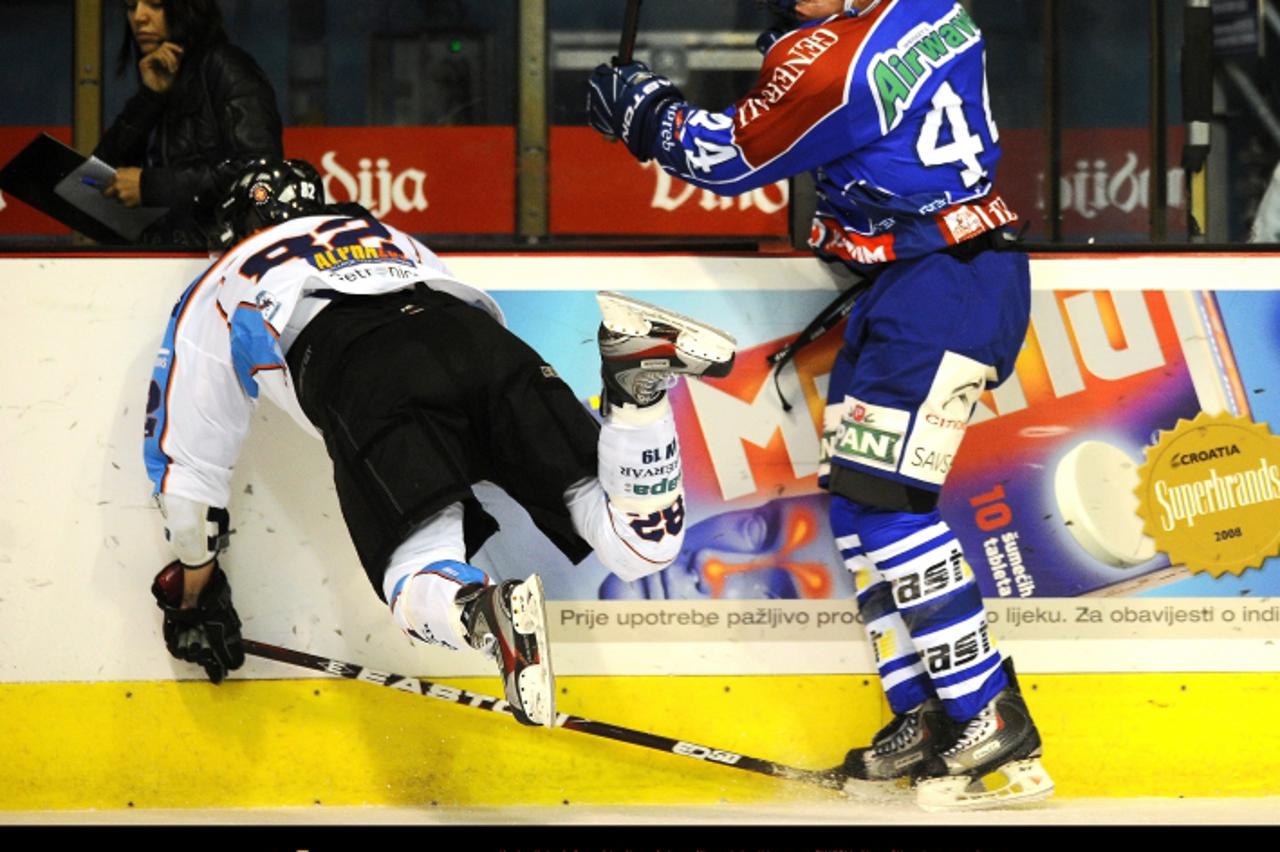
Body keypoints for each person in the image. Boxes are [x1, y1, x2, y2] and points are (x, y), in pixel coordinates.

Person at [586, 0, 1053, 810]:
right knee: (860, 511)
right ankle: (930, 715)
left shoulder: (834, 59)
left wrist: (645, 112)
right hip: (938, 282)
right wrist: (789, 49)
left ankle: (987, 712)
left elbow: (729, 154)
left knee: (890, 512)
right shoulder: (934, 8)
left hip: (936, 292)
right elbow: (838, 96)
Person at [143, 158, 736, 727]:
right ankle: (638, 393)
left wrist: (196, 577)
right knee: (639, 547)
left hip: (364, 368)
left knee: (416, 575)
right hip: (483, 346)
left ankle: (485, 613)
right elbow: (459, 300)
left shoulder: (224, 275)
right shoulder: (383, 234)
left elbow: (187, 459)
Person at [94, 0, 283, 246]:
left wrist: (151, 187)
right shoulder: (159, 80)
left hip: (219, 263)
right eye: (130, 7)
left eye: (155, 4)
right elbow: (98, 184)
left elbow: (261, 173)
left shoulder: (225, 67)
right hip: (156, 262)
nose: (139, 17)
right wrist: (148, 98)